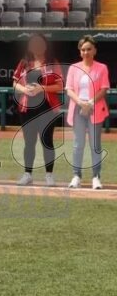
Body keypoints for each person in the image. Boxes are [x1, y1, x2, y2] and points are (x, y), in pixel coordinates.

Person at [12, 33, 63, 187]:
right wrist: (24, 89)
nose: (37, 46)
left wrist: (42, 88)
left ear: (45, 45)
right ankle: (27, 174)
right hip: (27, 107)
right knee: (29, 142)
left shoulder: (52, 63)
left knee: (47, 141)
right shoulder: (24, 63)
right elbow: (15, 83)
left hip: (47, 107)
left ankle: (49, 175)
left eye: (40, 43)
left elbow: (60, 86)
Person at [65, 35, 109, 190]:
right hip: (78, 108)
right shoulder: (73, 68)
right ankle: (76, 176)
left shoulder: (102, 68)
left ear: (94, 50)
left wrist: (89, 103)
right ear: (80, 51)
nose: (86, 52)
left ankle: (96, 177)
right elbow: (69, 89)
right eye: (83, 49)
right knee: (78, 144)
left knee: (95, 144)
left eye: (89, 49)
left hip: (94, 108)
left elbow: (104, 89)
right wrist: (81, 103)